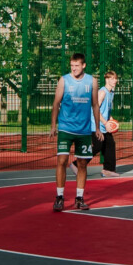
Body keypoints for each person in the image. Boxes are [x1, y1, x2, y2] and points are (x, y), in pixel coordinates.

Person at [50, 53, 102, 212]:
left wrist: (98, 128)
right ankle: (59, 197)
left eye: (77, 66)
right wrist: (53, 125)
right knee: (62, 160)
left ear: (83, 65)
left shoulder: (92, 81)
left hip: (84, 130)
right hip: (66, 127)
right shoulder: (64, 80)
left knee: (82, 163)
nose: (74, 68)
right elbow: (56, 103)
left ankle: (79, 198)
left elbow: (95, 105)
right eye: (72, 66)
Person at [91, 71, 121, 178]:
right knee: (97, 146)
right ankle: (77, 164)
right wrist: (105, 122)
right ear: (107, 79)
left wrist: (111, 119)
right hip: (96, 125)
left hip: (103, 125)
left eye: (115, 78)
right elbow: (96, 109)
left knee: (110, 144)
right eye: (112, 78)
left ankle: (108, 170)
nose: (115, 81)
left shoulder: (110, 93)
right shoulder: (102, 92)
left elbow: (105, 110)